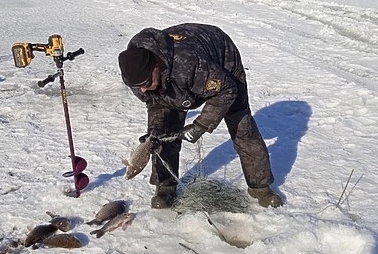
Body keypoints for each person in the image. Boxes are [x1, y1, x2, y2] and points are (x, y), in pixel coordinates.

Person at [118, 23, 283, 209]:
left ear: (155, 67)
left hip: (222, 60)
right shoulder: (136, 74)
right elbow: (155, 103)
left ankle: (260, 186)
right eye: (137, 86)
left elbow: (227, 90)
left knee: (242, 126)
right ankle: (165, 186)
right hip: (180, 77)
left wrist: (201, 124)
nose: (142, 90)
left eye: (146, 83)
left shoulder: (190, 64)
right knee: (161, 135)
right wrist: (155, 132)